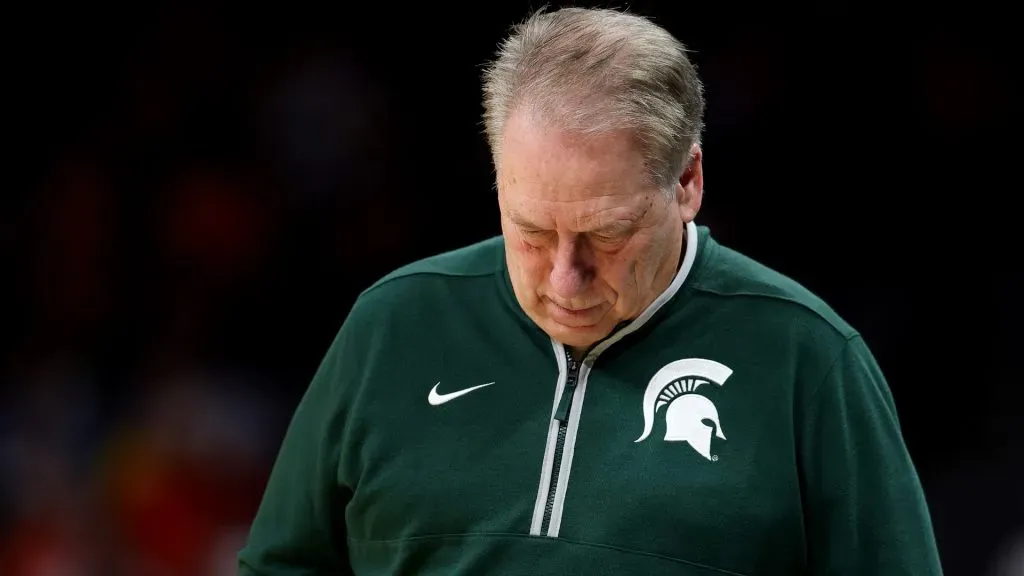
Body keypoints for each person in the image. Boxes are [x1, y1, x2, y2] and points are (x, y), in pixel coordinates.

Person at [238, 7, 943, 575]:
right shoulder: (392, 326)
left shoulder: (809, 362)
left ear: (688, 181)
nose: (564, 278)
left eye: (607, 235)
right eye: (533, 232)